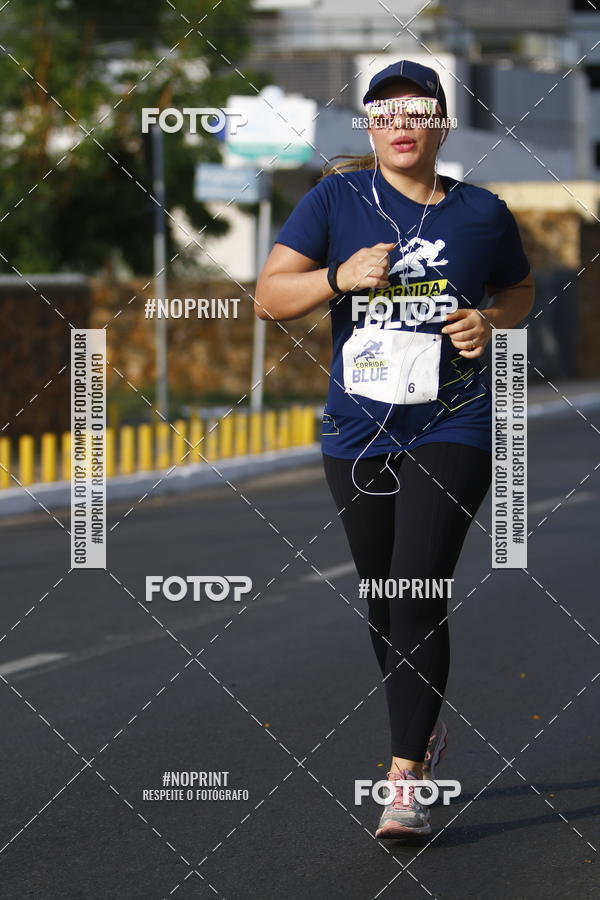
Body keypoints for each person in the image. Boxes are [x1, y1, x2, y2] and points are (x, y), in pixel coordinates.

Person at [255, 60, 534, 841]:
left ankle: (404, 773)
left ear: (442, 124)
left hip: (455, 422)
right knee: (383, 598)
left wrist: (490, 322)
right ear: (371, 128)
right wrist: (338, 277)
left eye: (419, 110)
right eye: (386, 112)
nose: (402, 123)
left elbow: (519, 289)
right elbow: (271, 295)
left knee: (415, 586)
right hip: (358, 430)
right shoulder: (335, 201)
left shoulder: (482, 212)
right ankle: (424, 724)